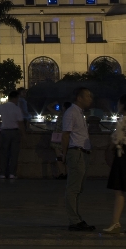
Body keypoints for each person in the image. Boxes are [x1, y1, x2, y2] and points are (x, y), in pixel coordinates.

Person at [60, 87, 95, 232]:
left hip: (82, 153)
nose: (90, 98)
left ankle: (77, 218)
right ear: (79, 98)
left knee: (78, 188)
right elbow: (66, 134)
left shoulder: (79, 113)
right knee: (73, 188)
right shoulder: (71, 112)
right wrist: (64, 154)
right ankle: (74, 220)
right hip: (76, 153)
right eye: (88, 96)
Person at [104, 94, 126, 234]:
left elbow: (115, 139)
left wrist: (109, 150)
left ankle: (115, 222)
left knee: (119, 191)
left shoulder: (123, 121)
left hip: (124, 156)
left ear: (123, 105)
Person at [0, 90, 25, 179]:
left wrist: (0, 125)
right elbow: (20, 123)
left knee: (4, 153)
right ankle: (12, 173)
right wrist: (24, 134)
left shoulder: (2, 106)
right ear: (15, 98)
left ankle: (2, 173)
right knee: (14, 154)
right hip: (15, 132)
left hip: (4, 132)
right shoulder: (17, 108)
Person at [51, 102, 72, 180]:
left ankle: (62, 173)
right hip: (66, 138)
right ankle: (66, 173)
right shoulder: (70, 116)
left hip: (57, 138)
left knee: (59, 157)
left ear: (63, 107)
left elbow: (48, 107)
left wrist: (55, 102)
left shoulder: (60, 114)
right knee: (65, 156)